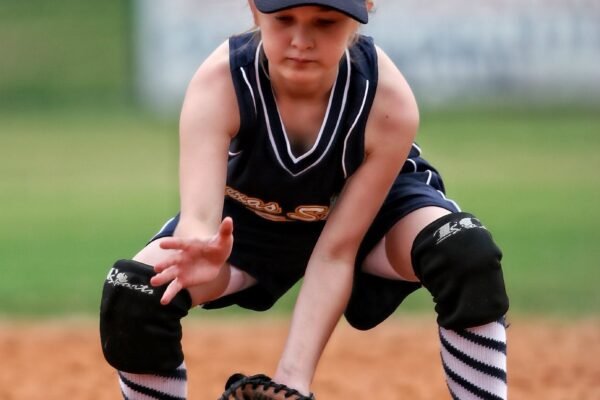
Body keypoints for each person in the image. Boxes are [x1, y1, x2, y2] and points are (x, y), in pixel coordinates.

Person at [99, 0, 509, 399]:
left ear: (363, 11)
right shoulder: (220, 82)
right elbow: (200, 220)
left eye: (325, 22)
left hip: (370, 224)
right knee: (136, 292)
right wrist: (204, 248)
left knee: (462, 251)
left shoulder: (387, 100)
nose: (301, 39)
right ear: (254, 8)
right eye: (284, 18)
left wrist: (292, 378)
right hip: (248, 222)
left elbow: (336, 251)